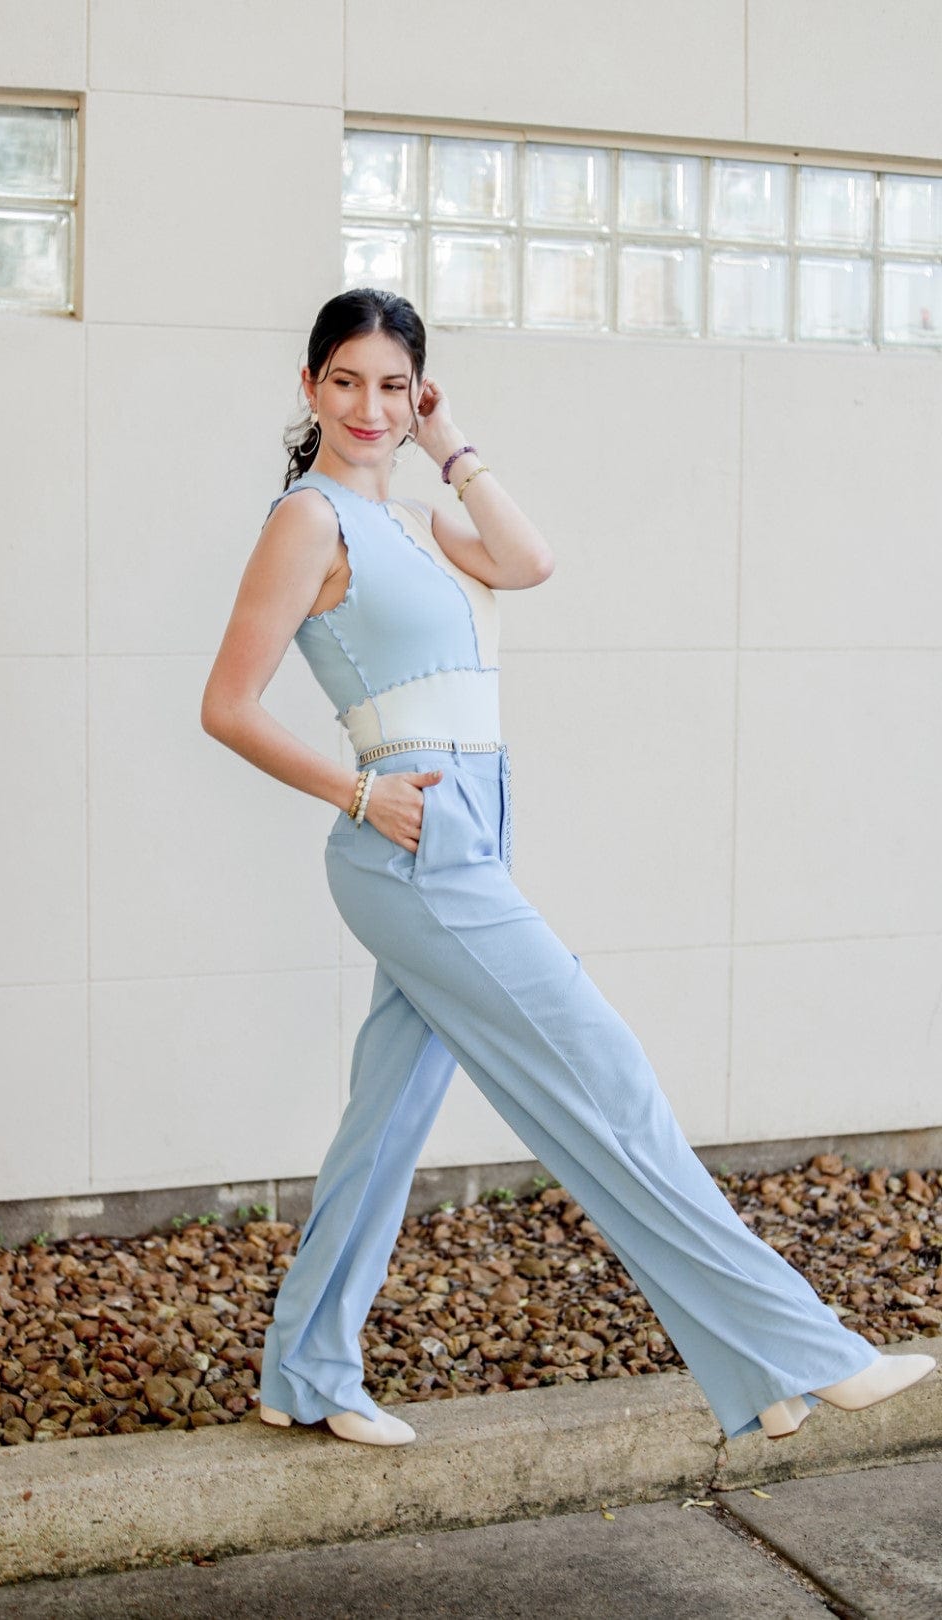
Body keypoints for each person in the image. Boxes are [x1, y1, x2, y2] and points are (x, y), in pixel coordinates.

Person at [200, 287, 936, 1448]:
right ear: (310, 387)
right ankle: (798, 1348)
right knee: (607, 1075)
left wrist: (451, 445)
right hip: (413, 839)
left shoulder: (410, 520)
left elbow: (529, 560)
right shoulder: (309, 522)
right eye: (346, 380)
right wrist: (357, 788)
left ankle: (305, 1371)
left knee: (384, 1124)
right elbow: (226, 706)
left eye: (395, 385)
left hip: (472, 827)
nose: (369, 405)